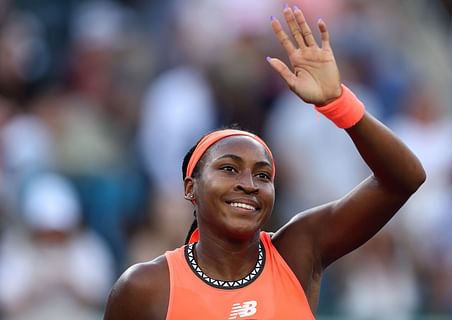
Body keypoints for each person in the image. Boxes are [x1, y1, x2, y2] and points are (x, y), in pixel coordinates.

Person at [103, 5, 426, 319]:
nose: (248, 183)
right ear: (191, 188)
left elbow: (404, 179)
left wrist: (338, 103)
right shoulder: (145, 287)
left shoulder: (298, 250)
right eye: (229, 168)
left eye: (263, 175)